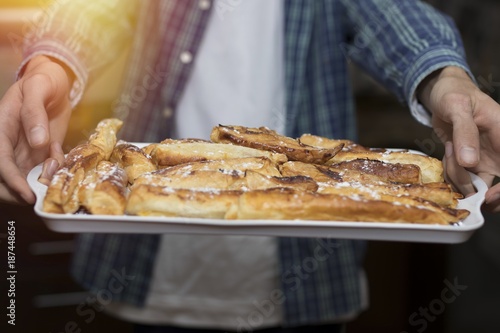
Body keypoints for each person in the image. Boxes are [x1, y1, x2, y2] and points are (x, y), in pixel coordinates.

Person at [0, 0, 499, 332]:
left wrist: (449, 82)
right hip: (148, 269)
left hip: (306, 284)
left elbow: (392, 18)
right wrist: (52, 64)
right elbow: (96, 12)